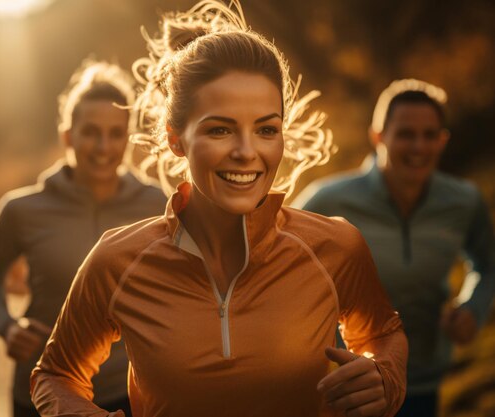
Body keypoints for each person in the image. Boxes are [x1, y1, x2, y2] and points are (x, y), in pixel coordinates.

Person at [30, 2, 408, 416]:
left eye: (266, 129)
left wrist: (385, 378)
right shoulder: (117, 261)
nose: (247, 152)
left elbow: (384, 334)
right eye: (220, 129)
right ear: (176, 139)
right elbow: (55, 374)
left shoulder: (335, 246)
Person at [0, 60, 166, 417]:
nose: (104, 146)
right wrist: (7, 326)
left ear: (129, 137)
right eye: (91, 132)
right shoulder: (21, 209)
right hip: (42, 388)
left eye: (115, 133)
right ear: (68, 136)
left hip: (127, 392)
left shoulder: (158, 204)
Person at [294, 79, 495, 416]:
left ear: (443, 140)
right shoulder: (328, 199)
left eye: (430, 135)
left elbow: (488, 264)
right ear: (378, 137)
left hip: (422, 383)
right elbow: (274, 259)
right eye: (405, 134)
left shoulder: (464, 202)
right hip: (347, 387)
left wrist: (472, 309)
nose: (418, 146)